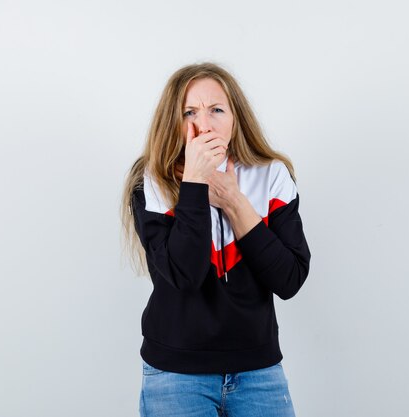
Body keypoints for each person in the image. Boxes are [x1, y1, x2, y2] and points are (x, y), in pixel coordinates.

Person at [120, 62, 311, 417]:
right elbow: (183, 276)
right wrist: (193, 182)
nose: (204, 125)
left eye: (216, 110)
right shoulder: (152, 182)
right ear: (172, 122)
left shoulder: (272, 176)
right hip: (176, 375)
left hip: (259, 371)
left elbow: (289, 279)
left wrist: (234, 201)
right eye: (189, 112)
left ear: (236, 116)